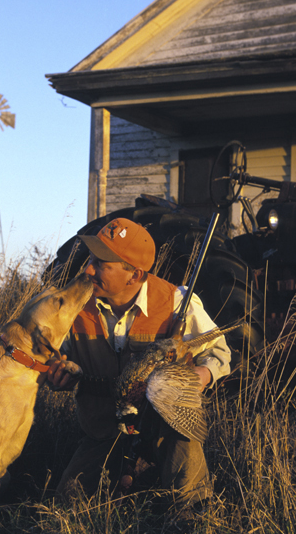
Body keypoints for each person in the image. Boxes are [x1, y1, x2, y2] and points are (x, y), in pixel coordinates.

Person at [44, 217, 231, 506]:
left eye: (101, 264)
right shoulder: (74, 306)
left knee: (190, 504)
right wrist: (56, 375)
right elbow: (52, 358)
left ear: (134, 275)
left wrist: (196, 377)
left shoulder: (176, 302)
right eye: (91, 259)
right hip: (103, 431)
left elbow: (218, 351)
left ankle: (190, 522)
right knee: (68, 501)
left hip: (165, 431)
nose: (88, 269)